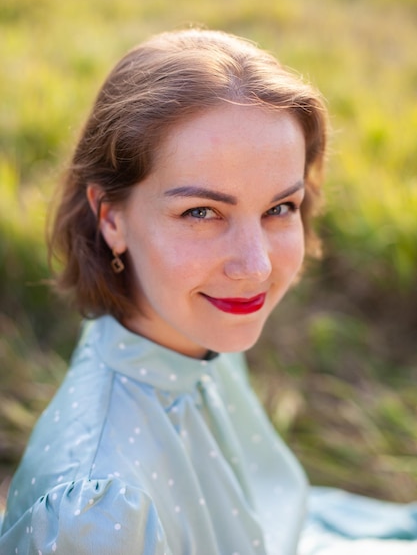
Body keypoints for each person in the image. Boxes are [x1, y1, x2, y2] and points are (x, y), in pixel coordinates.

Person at [0, 28, 416, 555]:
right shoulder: (99, 515)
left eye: (279, 208)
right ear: (111, 219)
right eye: (201, 212)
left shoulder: (186, 334)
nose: (255, 266)